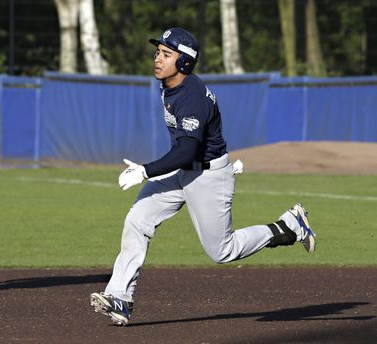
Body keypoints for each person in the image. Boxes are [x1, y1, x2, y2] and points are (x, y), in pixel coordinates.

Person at [90, 28, 316, 326]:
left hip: (207, 177)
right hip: (184, 170)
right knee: (137, 218)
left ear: (184, 63)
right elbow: (184, 154)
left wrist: (145, 170)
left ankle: (287, 226)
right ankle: (120, 297)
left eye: (166, 54)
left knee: (223, 251)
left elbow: (186, 151)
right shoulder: (172, 85)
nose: (158, 58)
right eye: (158, 51)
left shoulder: (192, 96)